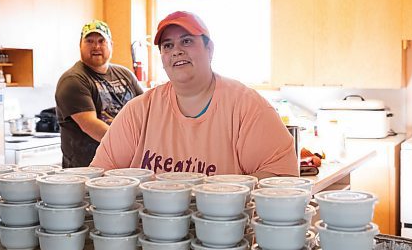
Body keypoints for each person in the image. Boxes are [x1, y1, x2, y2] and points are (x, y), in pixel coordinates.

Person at [90, 11, 297, 178]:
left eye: (187, 41)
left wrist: (217, 196)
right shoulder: (139, 112)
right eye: (168, 45)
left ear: (210, 49)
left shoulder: (246, 107)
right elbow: (100, 176)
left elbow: (283, 179)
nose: (176, 51)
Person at [55, 20, 143, 168]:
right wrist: (130, 145)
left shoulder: (125, 75)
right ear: (80, 45)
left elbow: (146, 109)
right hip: (85, 171)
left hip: (123, 167)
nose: (96, 46)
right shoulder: (73, 79)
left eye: (102, 41)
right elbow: (90, 125)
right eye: (89, 41)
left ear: (111, 45)